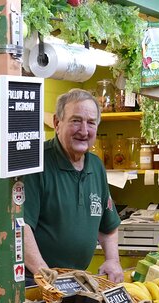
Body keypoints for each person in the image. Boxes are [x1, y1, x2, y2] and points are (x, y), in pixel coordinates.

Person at [23, 88, 123, 283]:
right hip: (34, 279)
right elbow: (20, 227)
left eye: (91, 123)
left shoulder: (96, 165)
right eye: (76, 121)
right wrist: (43, 273)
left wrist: (113, 259)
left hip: (75, 280)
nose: (84, 131)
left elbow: (108, 225)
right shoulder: (36, 163)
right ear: (57, 123)